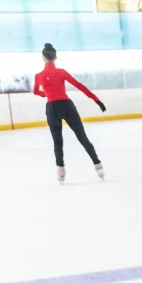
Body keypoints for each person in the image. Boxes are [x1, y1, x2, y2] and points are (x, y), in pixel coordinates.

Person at [33, 42, 106, 184]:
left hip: (51, 109)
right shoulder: (61, 72)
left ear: (43, 57)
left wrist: (46, 94)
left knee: (57, 142)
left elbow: (35, 92)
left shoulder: (38, 76)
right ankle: (99, 167)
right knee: (82, 138)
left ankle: (61, 173)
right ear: (55, 57)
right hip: (66, 106)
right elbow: (79, 85)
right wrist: (96, 100)